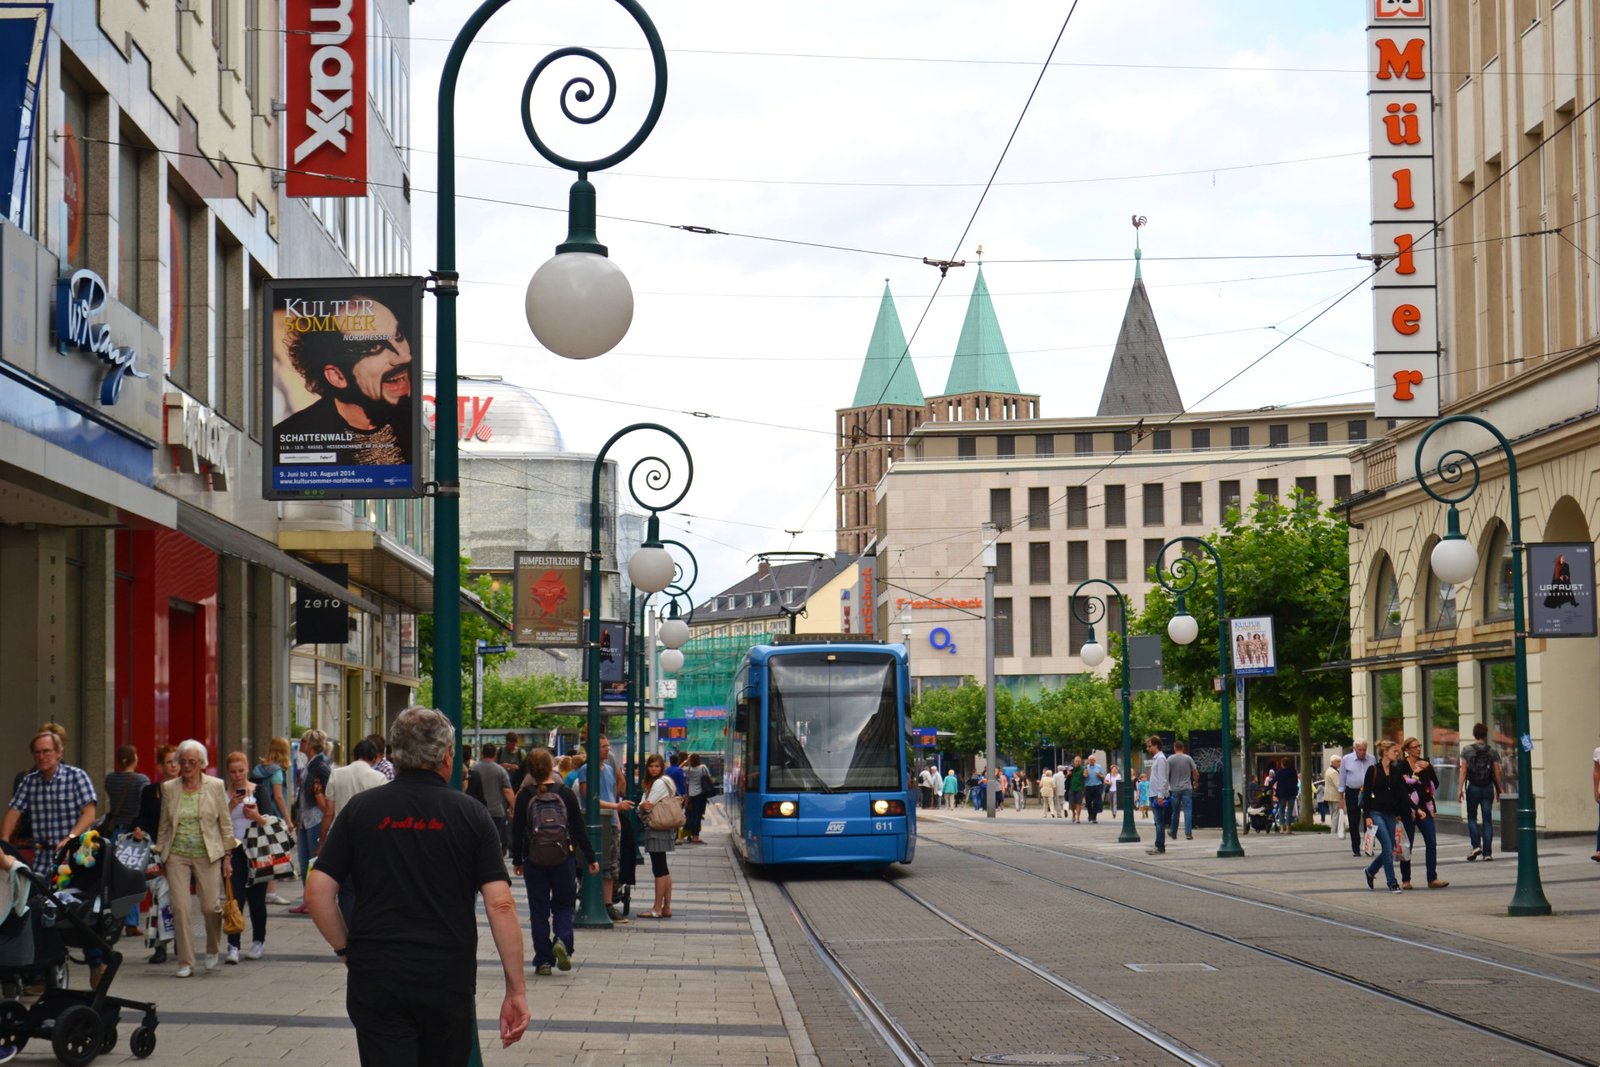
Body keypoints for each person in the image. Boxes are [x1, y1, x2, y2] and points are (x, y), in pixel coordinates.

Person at [305, 707, 528, 1065]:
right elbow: (500, 904)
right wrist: (515, 989)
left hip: (377, 974)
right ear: (445, 756)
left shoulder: (361, 810)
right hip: (445, 977)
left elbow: (317, 892)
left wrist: (345, 949)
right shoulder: (471, 815)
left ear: (394, 753)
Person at [274, 290, 414, 465]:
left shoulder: (411, 421)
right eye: (374, 347)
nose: (404, 357)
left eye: (399, 336)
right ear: (337, 376)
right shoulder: (286, 439)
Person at [510, 748, 596, 976]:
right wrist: (591, 857)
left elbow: (517, 831)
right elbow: (578, 828)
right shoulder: (565, 793)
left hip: (534, 859)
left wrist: (517, 859)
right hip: (562, 858)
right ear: (551, 767)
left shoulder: (525, 796)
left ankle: (543, 960)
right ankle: (563, 941)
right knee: (564, 905)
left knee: (538, 910)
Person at [155, 739, 236, 976]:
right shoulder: (170, 788)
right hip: (177, 854)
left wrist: (228, 855)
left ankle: (212, 949)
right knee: (180, 907)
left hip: (207, 853)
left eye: (193, 761)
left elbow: (225, 823)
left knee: (211, 907)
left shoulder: (215, 785)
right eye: (184, 761)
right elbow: (164, 824)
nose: (187, 766)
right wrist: (160, 852)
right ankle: (186, 962)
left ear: (202, 763)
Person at [2, 729, 98, 859]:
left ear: (59, 752)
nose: (41, 757)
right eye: (37, 752)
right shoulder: (29, 782)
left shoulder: (77, 776)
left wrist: (70, 837)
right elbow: (13, 812)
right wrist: (4, 843)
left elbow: (90, 814)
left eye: (46, 751)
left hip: (75, 855)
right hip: (43, 858)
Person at [133, 744, 180, 963]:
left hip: (180, 851)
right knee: (160, 898)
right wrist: (139, 830)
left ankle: (181, 940)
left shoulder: (185, 789)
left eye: (176, 761)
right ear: (161, 765)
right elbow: (141, 817)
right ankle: (160, 945)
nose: (174, 766)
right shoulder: (149, 792)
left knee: (178, 898)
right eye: (169, 761)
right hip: (155, 853)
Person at [579, 736, 634, 924]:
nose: (607, 750)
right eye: (603, 747)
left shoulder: (610, 769)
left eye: (608, 746)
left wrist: (616, 818)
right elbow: (590, 799)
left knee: (611, 865)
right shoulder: (586, 770)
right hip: (596, 822)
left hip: (611, 821)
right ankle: (591, 899)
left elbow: (611, 793)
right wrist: (615, 808)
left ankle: (608, 904)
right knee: (594, 862)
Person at [223, 751, 271, 963]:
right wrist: (232, 804)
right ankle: (233, 945)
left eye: (241, 770)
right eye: (233, 772)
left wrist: (256, 816)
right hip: (233, 850)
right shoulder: (223, 793)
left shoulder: (259, 791)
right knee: (235, 897)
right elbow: (217, 821)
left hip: (257, 850)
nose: (237, 775)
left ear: (247, 769)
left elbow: (270, 821)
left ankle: (258, 941)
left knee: (257, 899)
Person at [289, 729, 333, 914]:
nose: (301, 744)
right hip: (306, 818)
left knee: (312, 860)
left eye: (304, 741)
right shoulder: (312, 763)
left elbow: (327, 789)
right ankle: (308, 899)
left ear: (311, 744)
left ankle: (313, 899)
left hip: (314, 817)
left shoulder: (320, 765)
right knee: (305, 859)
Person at [1397, 737, 1448, 890]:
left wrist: (1428, 769)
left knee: (1431, 842)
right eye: (1415, 747)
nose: (1418, 749)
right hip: (1408, 810)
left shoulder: (1424, 764)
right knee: (1408, 844)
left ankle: (1432, 878)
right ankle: (1406, 880)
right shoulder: (1401, 766)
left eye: (1419, 746)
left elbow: (1435, 784)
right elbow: (1400, 790)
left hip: (1425, 808)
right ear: (1407, 750)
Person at [1362, 740, 1408, 894]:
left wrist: (1401, 813)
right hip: (1376, 813)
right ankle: (1392, 882)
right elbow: (1366, 794)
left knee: (1391, 848)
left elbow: (1401, 794)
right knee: (1388, 846)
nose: (1398, 754)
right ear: (1385, 752)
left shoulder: (1396, 772)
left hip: (1391, 814)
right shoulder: (1373, 770)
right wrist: (1367, 816)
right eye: (1395, 751)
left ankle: (1370, 871)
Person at [636, 754, 677, 919]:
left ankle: (656, 908)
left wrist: (640, 807)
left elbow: (646, 806)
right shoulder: (666, 781)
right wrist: (642, 806)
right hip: (664, 828)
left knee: (658, 869)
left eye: (657, 766)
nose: (653, 769)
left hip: (657, 828)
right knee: (663, 868)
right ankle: (666, 907)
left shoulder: (659, 783)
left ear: (662, 768)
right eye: (651, 766)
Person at [1458, 723, 1501, 861]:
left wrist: (1460, 789)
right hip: (1487, 788)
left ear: (1474, 734)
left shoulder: (1467, 750)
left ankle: (1476, 845)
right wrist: (1499, 789)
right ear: (1486, 734)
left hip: (1473, 788)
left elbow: (1463, 770)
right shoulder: (1492, 751)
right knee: (1487, 821)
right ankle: (1487, 853)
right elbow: (1497, 771)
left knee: (1472, 817)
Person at [1339, 740, 1376, 858]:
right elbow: (1342, 777)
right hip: (1352, 792)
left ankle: (1368, 847)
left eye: (1364, 749)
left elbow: (1375, 775)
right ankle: (1356, 848)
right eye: (1360, 749)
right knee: (1353, 821)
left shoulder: (1371, 759)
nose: (1362, 752)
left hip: (1367, 791)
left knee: (1369, 820)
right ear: (1355, 749)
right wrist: (1341, 796)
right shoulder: (1346, 759)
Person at [1167, 741, 1198, 839]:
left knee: (1175, 812)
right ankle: (1188, 833)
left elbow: (1166, 773)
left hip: (1175, 788)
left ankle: (1173, 832)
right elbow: (1196, 773)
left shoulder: (1170, 759)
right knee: (1188, 811)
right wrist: (1195, 782)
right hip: (1187, 788)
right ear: (1183, 748)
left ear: (1174, 748)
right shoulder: (1188, 758)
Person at [1145, 737, 1171, 855]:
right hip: (1154, 793)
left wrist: (1160, 795)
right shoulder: (1157, 759)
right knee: (1157, 822)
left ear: (1156, 746)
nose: (1148, 748)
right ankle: (1159, 845)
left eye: (1150, 746)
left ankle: (1160, 846)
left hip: (1157, 794)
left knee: (1159, 822)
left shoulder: (1160, 759)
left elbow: (1163, 779)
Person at [683, 753, 712, 844]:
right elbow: (709, 779)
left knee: (690, 815)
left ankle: (689, 835)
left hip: (691, 795)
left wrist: (685, 761)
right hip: (701, 795)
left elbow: (679, 768)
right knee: (698, 816)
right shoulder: (703, 768)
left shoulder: (689, 770)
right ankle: (695, 837)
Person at [1272, 756, 1298, 833]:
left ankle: (1281, 828)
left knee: (1281, 810)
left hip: (1282, 793)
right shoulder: (1293, 771)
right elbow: (1296, 782)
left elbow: (1274, 781)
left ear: (1282, 764)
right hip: (1291, 793)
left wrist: (1267, 787)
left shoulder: (1279, 772)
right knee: (1290, 810)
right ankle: (1288, 828)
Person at [1323, 756, 1345, 839]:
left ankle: (1333, 830)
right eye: (1338, 762)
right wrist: (1342, 795)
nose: (1339, 763)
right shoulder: (1334, 772)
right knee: (1336, 814)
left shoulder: (1328, 770)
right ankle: (1334, 831)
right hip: (1335, 796)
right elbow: (1338, 785)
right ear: (1333, 762)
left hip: (1329, 795)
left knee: (1333, 813)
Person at [1066, 757, 1085, 823]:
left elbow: (1085, 776)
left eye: (1079, 761)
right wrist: (1068, 774)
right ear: (1074, 761)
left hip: (1079, 788)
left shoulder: (1083, 769)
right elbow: (1066, 776)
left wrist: (1085, 774)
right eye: (1076, 761)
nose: (1077, 762)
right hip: (1072, 788)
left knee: (1078, 803)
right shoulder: (1071, 768)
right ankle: (1073, 813)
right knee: (1072, 803)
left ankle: (1078, 818)